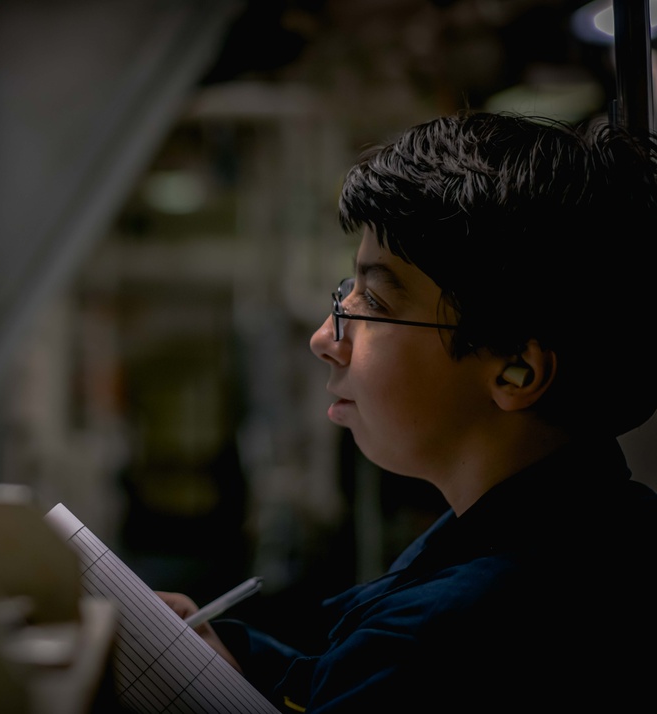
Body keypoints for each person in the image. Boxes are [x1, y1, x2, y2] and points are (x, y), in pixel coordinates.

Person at [158, 110, 657, 712]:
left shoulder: (447, 639)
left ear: (516, 370)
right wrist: (228, 660)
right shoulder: (609, 532)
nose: (325, 337)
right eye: (347, 292)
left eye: (376, 301)